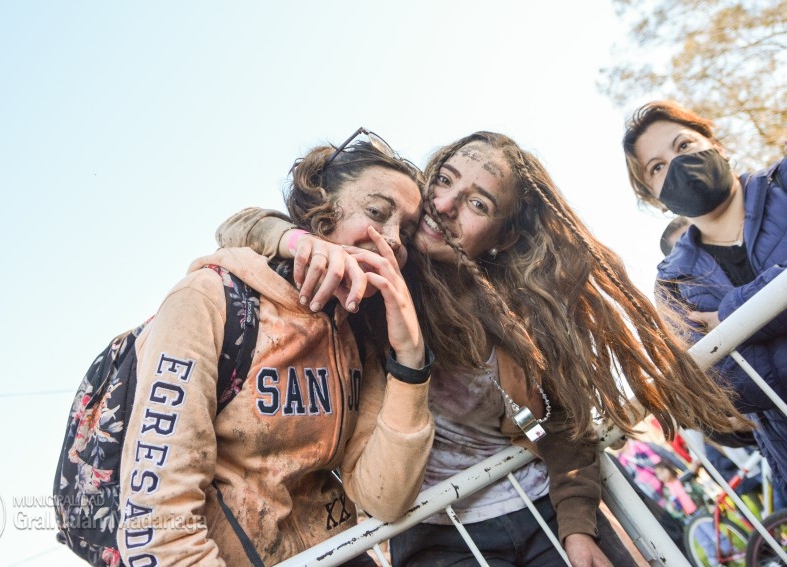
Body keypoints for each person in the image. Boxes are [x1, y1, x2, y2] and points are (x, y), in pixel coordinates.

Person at [217, 131, 750, 566]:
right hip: (433, 533)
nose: (444, 206)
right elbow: (239, 227)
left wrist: (578, 528)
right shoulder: (373, 269)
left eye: (477, 203)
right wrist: (297, 241)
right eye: (443, 181)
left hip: (541, 508)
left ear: (502, 238)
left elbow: (564, 424)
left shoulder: (521, 311)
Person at [116, 131, 467, 566]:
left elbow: (384, 497)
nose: (393, 239)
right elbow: (158, 526)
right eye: (377, 212)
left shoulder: (361, 339)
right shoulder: (209, 300)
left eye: (407, 232)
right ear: (321, 213)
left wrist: (411, 360)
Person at [622, 99, 787, 510]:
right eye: (656, 167)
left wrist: (734, 317)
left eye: (683, 146)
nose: (676, 165)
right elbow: (732, 388)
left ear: (717, 145)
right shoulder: (673, 284)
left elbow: (748, 366)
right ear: (654, 197)